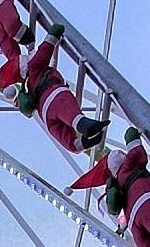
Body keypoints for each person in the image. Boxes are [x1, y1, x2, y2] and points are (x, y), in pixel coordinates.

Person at [20, 25, 108, 154]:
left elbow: (69, 144)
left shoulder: (40, 111)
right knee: (72, 115)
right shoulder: (34, 70)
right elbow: (45, 51)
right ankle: (84, 124)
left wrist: (83, 144)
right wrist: (54, 34)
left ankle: (85, 136)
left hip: (47, 114)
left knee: (68, 136)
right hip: (55, 93)